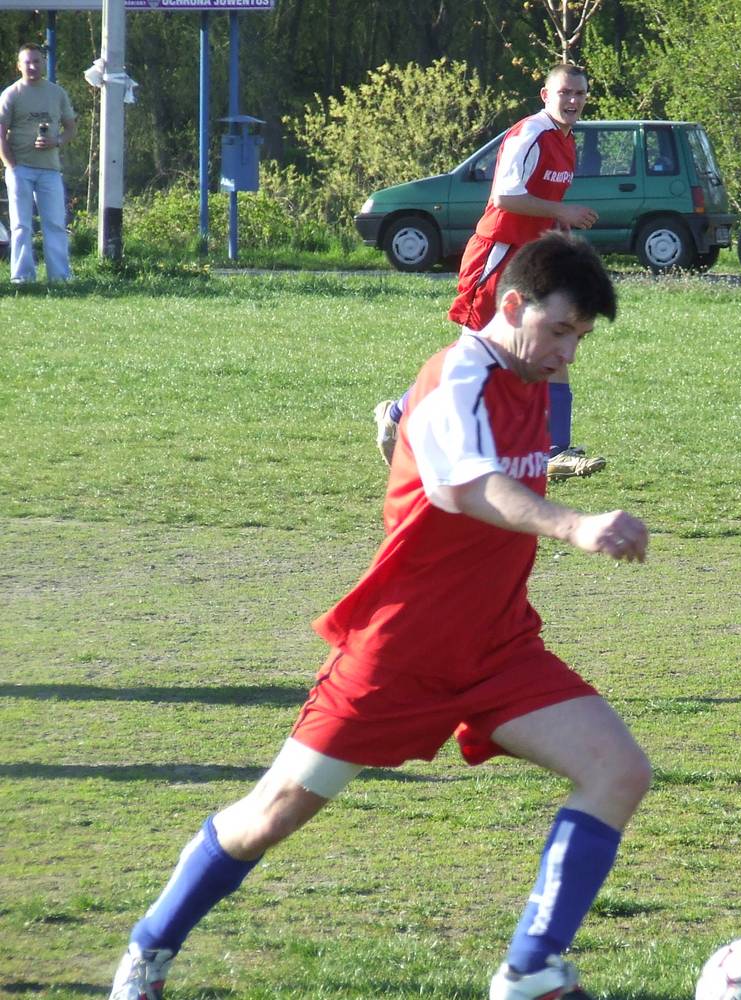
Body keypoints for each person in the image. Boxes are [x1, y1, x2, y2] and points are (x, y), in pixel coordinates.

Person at [108, 232, 653, 1000]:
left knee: (618, 770)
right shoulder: (457, 375)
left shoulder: (524, 376)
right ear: (512, 305)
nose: (567, 353)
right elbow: (463, 485)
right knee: (270, 814)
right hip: (399, 651)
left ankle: (531, 968)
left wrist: (396, 430)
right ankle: (148, 950)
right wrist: (574, 524)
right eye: (560, 330)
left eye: (581, 339)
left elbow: (426, 443)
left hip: (497, 646)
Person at [375, 63, 607, 482]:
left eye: (580, 93)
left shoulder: (566, 140)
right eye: (565, 92)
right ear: (546, 95)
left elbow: (542, 204)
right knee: (474, 354)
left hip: (533, 260)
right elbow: (505, 196)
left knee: (553, 336)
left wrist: (561, 236)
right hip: (497, 254)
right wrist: (562, 210)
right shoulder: (530, 133)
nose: (573, 100)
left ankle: (555, 448)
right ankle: (397, 413)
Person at [0, 43, 76, 284]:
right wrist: (11, 165)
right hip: (20, 168)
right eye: (27, 62)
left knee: (54, 224)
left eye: (36, 61)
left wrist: (57, 141)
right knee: (21, 225)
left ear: (44, 64)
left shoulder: (57, 93)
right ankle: (22, 278)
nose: (32, 66)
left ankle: (60, 277)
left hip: (50, 170)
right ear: (19, 66)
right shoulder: (12, 94)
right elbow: (0, 133)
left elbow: (71, 128)